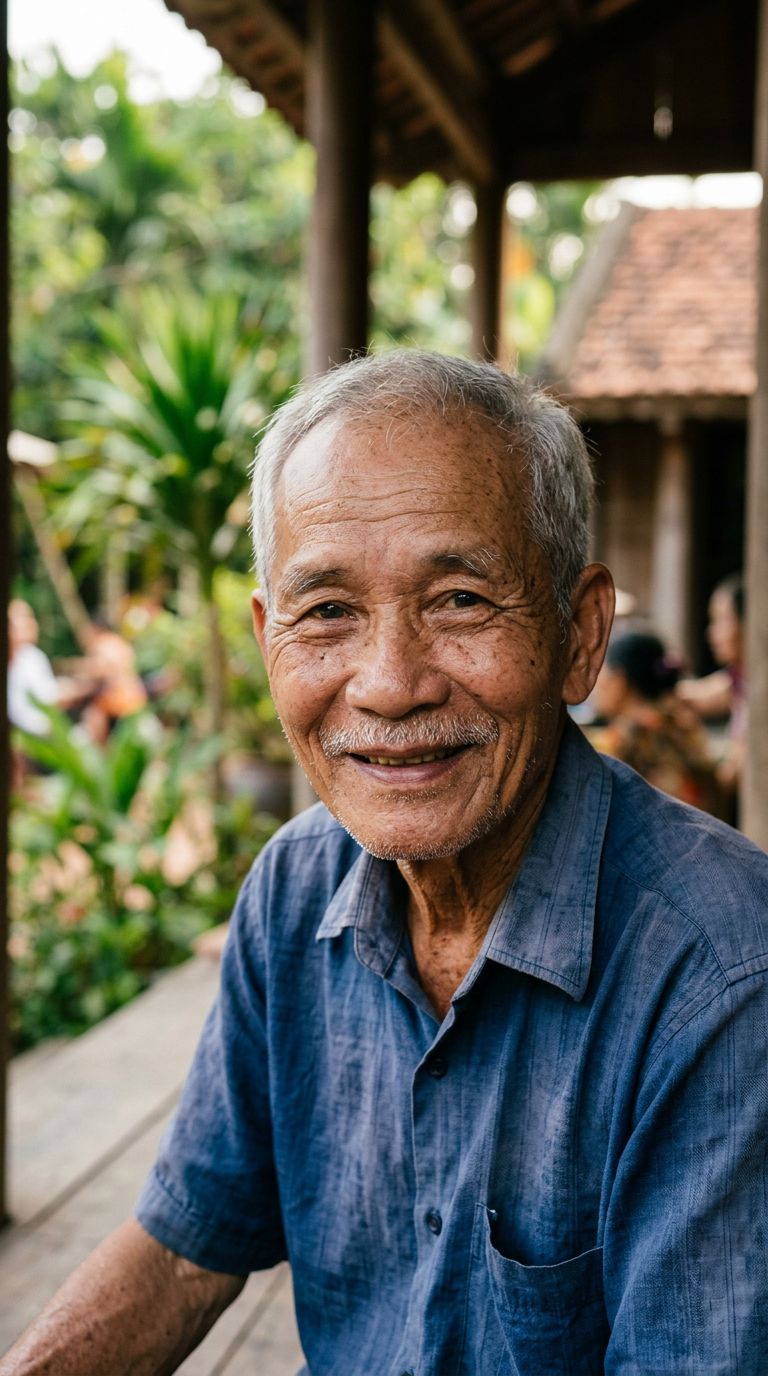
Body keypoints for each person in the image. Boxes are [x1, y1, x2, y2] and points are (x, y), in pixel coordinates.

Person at [3, 352, 768, 1375]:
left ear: (579, 636)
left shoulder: (724, 973)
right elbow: (185, 1248)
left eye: (459, 598)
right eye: (327, 611)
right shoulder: (294, 886)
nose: (390, 682)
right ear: (271, 639)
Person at [588, 628, 725, 816]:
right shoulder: (684, 725)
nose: (595, 684)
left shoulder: (620, 741)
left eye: (602, 671)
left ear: (619, 680)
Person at [678, 572, 746, 795]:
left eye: (721, 621)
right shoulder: (738, 678)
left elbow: (730, 775)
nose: (711, 633)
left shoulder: (756, 688)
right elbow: (696, 696)